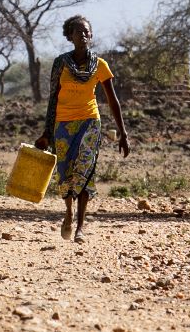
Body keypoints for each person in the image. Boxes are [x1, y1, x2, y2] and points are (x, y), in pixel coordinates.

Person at [35, 15, 130, 242]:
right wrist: (47, 132)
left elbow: (113, 100)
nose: (84, 35)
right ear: (70, 36)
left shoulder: (100, 65)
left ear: (91, 35)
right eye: (79, 32)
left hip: (90, 123)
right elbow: (53, 98)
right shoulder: (60, 63)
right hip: (62, 124)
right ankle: (68, 212)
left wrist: (123, 133)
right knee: (66, 172)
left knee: (86, 172)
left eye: (87, 31)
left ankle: (80, 227)